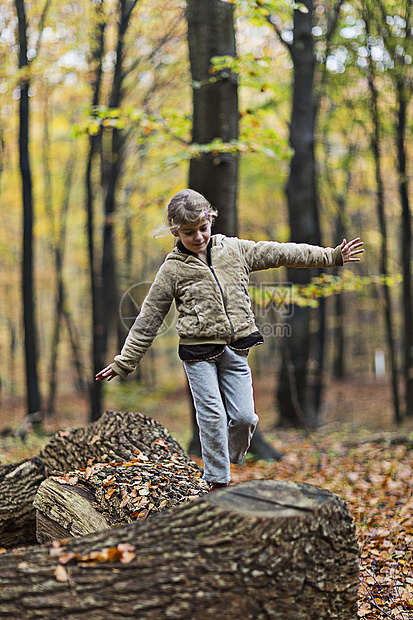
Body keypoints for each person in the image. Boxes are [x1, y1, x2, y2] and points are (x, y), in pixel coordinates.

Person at [96, 189, 364, 491]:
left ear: (210, 220)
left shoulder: (234, 250)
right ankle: (218, 483)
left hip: (236, 350)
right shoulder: (172, 270)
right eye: (188, 232)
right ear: (175, 231)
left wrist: (331, 257)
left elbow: (281, 252)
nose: (198, 237)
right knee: (211, 416)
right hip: (198, 355)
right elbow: (148, 318)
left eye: (202, 228)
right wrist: (125, 361)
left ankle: (232, 457)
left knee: (245, 418)